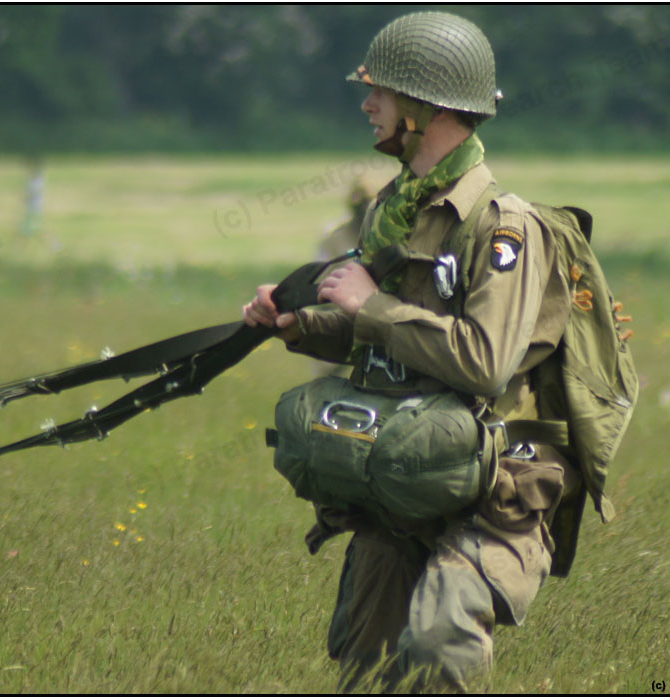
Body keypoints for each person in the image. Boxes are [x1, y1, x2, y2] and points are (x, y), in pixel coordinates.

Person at [242, 11, 576, 692]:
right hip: (402, 473)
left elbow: (485, 362)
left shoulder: (503, 226)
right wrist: (300, 324)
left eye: (382, 92)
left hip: (492, 488)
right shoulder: (394, 208)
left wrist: (371, 305)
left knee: (436, 642)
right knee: (368, 664)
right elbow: (381, 336)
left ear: (427, 107)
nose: (368, 104)